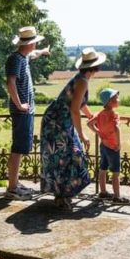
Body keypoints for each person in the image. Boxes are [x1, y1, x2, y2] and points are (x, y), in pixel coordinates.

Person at [40, 47, 106, 210]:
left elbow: (79, 103)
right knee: (69, 155)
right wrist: (83, 135)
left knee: (64, 157)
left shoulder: (81, 78)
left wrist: (91, 116)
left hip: (56, 120)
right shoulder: (82, 80)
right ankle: (62, 197)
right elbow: (74, 109)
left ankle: (62, 196)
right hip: (57, 123)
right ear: (95, 67)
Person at [4, 26, 51, 200]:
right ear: (30, 43)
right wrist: (19, 105)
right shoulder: (15, 60)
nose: (37, 44)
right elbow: (10, 82)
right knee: (18, 149)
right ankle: (12, 189)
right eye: (36, 42)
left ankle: (14, 184)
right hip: (21, 111)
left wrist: (44, 51)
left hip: (25, 111)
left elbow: (34, 54)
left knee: (20, 148)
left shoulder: (23, 57)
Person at [87, 87, 129, 204]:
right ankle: (116, 196)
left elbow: (89, 123)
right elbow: (116, 128)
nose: (118, 100)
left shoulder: (100, 114)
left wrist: (98, 132)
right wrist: (119, 143)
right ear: (110, 101)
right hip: (113, 146)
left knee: (103, 169)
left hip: (103, 145)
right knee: (115, 172)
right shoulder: (114, 114)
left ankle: (103, 192)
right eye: (116, 98)